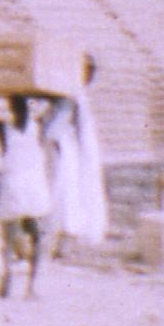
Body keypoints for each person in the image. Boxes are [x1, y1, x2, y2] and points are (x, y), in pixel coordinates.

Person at [0, 91, 53, 300]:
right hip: (33, 187)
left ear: (11, 109)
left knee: (9, 238)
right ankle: (32, 285)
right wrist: (42, 94)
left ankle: (8, 276)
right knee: (37, 237)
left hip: (16, 186)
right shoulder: (38, 126)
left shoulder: (4, 129)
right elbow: (54, 106)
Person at [45, 54, 109, 256]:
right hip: (66, 152)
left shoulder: (74, 96)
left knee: (68, 194)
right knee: (66, 194)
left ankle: (63, 243)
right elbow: (56, 128)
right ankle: (61, 243)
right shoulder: (71, 96)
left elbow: (56, 128)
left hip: (71, 152)